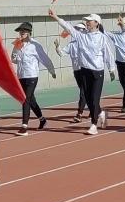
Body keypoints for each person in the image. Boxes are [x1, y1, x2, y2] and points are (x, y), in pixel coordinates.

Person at [49, 7, 114, 135]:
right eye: (87, 21)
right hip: (84, 71)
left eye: (90, 21)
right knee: (88, 99)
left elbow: (108, 53)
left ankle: (94, 125)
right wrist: (56, 17)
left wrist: (111, 69)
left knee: (94, 99)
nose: (87, 22)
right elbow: (68, 27)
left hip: (97, 72)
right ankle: (101, 113)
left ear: (96, 23)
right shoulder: (81, 36)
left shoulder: (102, 38)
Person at [10, 22, 56, 134]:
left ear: (29, 32)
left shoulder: (35, 45)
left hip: (32, 76)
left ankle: (24, 126)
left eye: (24, 31)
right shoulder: (17, 44)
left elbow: (44, 59)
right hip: (21, 75)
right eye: (20, 31)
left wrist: (51, 71)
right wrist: (16, 49)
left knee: (25, 99)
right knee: (31, 101)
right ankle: (42, 120)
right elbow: (14, 60)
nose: (22, 33)